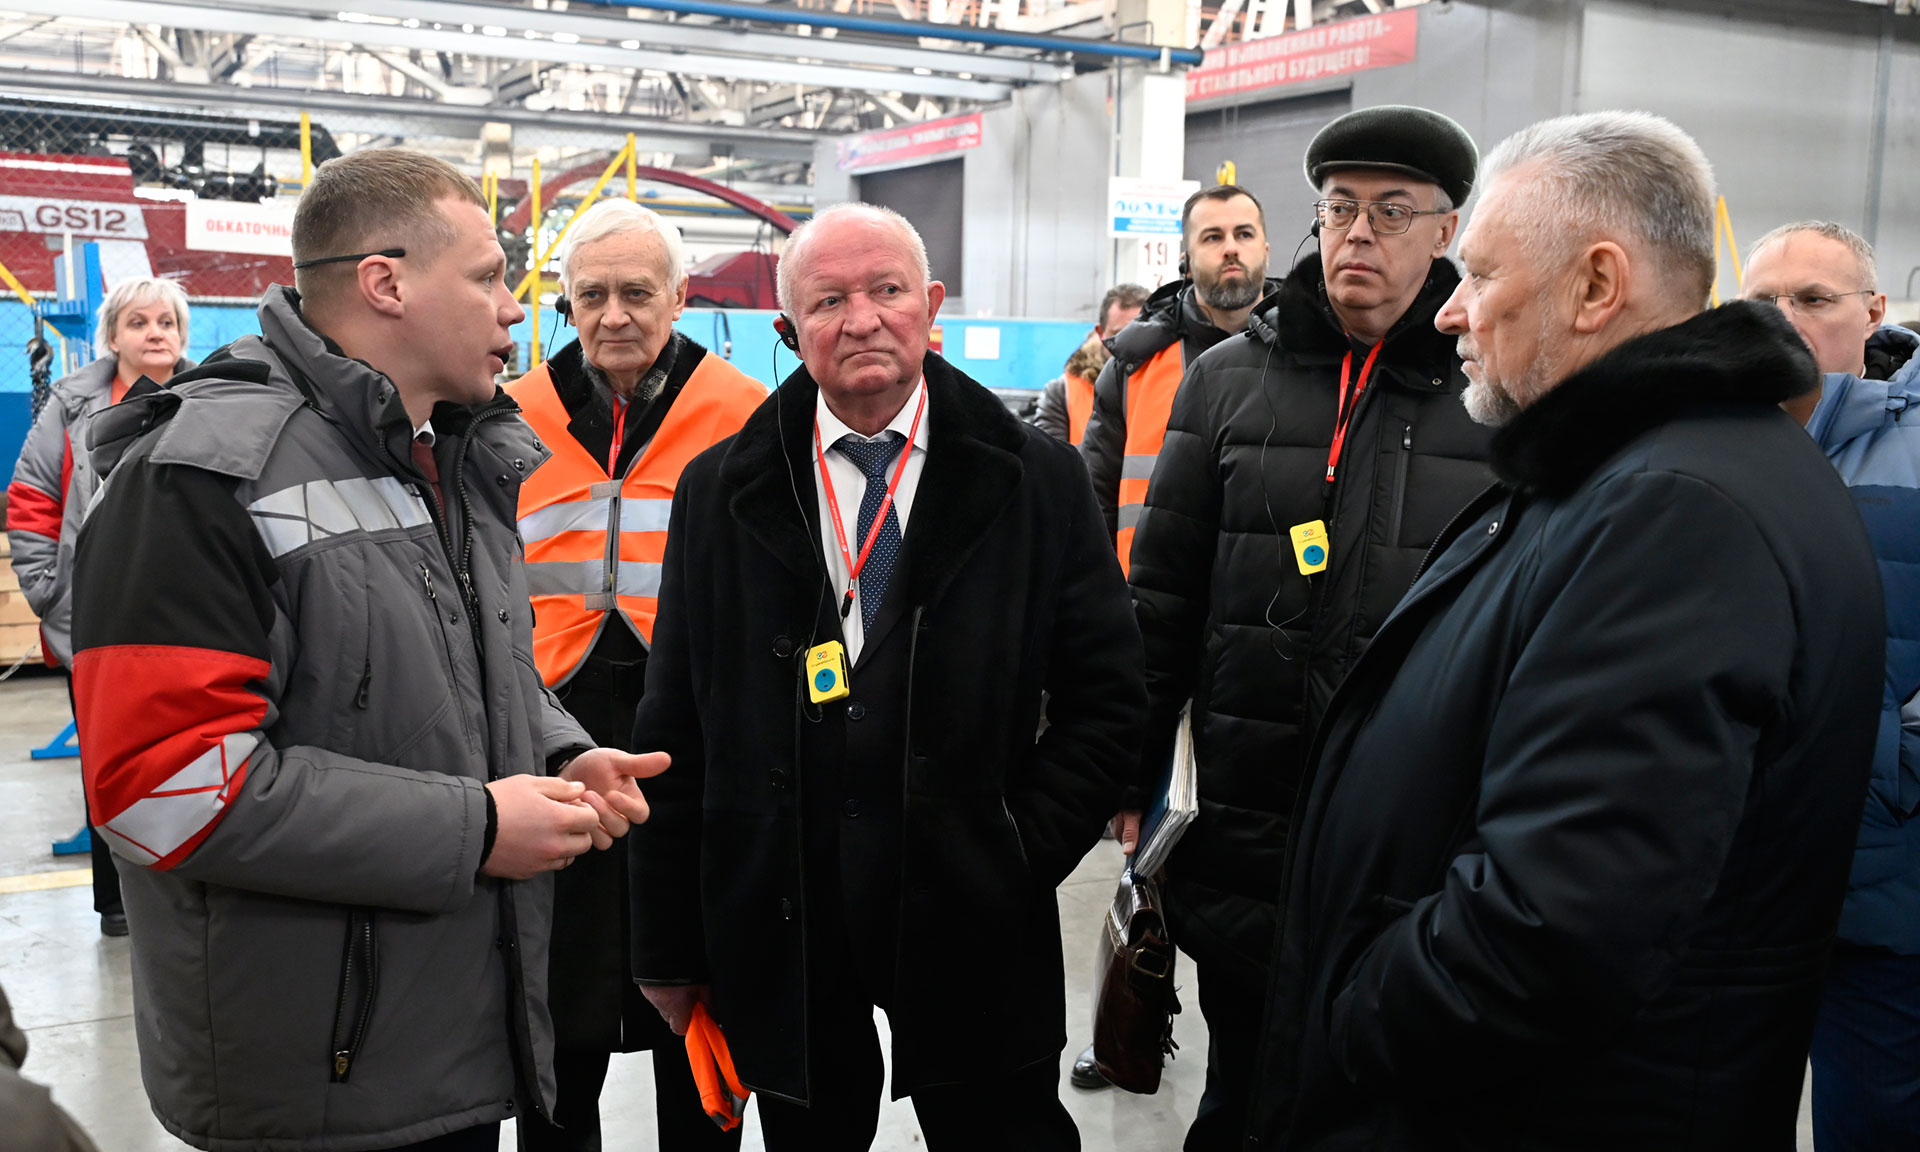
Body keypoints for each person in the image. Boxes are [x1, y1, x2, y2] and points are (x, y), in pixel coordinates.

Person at [1249, 111, 1885, 1151]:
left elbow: (1549, 932)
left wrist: (1350, 1016)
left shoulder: (1676, 515)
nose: (1451, 312)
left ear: (1595, 286)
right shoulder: (1626, 473)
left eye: (1480, 275)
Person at [67, 148, 667, 1152]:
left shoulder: (451, 453)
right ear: (386, 283)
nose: (515, 310)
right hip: (318, 1079)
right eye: (487, 278)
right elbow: (164, 789)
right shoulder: (200, 477)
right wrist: (478, 827)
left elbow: (474, 663)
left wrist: (557, 752)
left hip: (448, 1045)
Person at [628, 202, 1144, 1151]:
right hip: (788, 912)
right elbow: (676, 727)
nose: (862, 319)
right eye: (828, 301)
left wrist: (1016, 848)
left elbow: (1107, 699)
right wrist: (666, 945)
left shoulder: (1036, 480)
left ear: (932, 305)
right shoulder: (720, 491)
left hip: (973, 912)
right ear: (790, 330)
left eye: (888, 291)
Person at [1121, 106, 1490, 1148]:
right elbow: (1162, 599)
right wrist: (1130, 781)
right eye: (1338, 209)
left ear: (1445, 231)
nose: (1357, 233)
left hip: (1414, 836)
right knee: (1244, 1095)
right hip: (1248, 821)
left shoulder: (1491, 392)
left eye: (1391, 211)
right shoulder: (1226, 381)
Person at [506, 198, 764, 1152]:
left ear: (680, 297)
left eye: (637, 293)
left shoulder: (746, 412)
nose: (613, 315)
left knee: (695, 988)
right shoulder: (507, 414)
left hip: (691, 732)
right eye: (591, 295)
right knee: (554, 1005)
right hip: (551, 728)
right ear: (565, 303)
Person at [1741, 221, 1920, 1152]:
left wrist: (1902, 759)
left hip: (1883, 868)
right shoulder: (1713, 438)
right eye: (1763, 301)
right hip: (1738, 870)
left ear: (1874, 310)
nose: (1785, 319)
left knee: (1874, 1117)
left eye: (1813, 299)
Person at [6, 276, 192, 937]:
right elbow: (31, 499)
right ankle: (117, 904)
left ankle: (188, 889)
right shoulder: (70, 406)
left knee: (192, 753)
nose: (155, 333)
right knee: (108, 764)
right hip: (95, 618)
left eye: (166, 322)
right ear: (112, 337)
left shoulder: (211, 399)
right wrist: (50, 591)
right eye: (138, 322)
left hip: (187, 616)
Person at [1080, 186, 1277, 575]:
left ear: (1266, 251)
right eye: (1213, 237)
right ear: (1185, 261)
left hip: (1269, 602)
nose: (1231, 248)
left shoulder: (1313, 357)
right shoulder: (1133, 368)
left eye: (1244, 234)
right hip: (1149, 595)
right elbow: (1092, 505)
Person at [1032, 283, 1147, 444]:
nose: (1129, 343)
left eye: (1139, 333)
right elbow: (1049, 456)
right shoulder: (1062, 392)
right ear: (1100, 333)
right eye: (1119, 334)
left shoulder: (1173, 384)